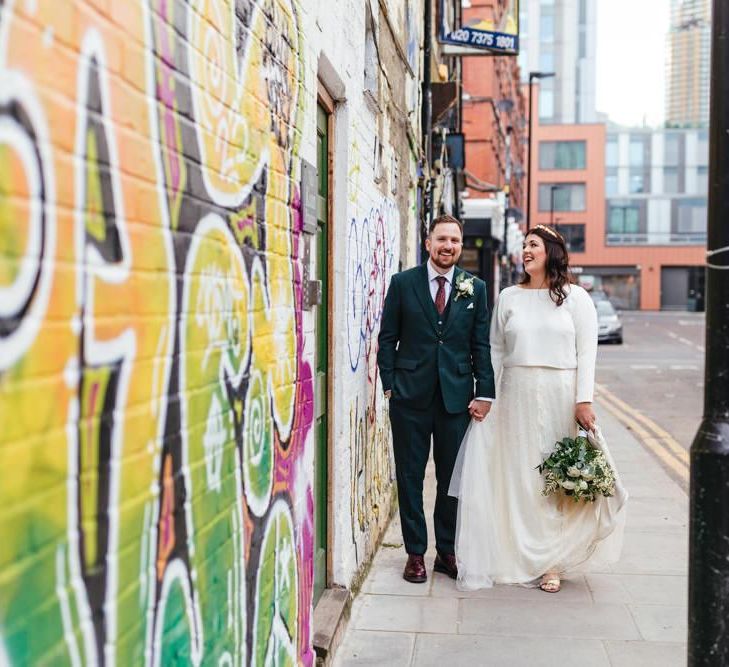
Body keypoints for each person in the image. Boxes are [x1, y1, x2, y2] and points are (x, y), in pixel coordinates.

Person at [449, 224, 627, 593]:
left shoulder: (575, 298)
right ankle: (515, 553)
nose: (526, 251)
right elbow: (495, 350)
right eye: (524, 245)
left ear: (551, 252)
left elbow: (586, 353)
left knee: (552, 479)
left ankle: (552, 563)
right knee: (517, 476)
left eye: (534, 245)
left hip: (558, 394)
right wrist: (487, 395)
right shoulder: (509, 297)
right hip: (514, 394)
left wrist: (583, 400)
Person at [377, 214, 496, 583]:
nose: (448, 246)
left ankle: (446, 550)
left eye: (455, 241)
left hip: (456, 399)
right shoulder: (402, 283)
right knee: (410, 476)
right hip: (409, 398)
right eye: (442, 239)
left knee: (452, 478)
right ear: (428, 243)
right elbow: (387, 338)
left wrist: (485, 392)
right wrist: (389, 384)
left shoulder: (474, 288)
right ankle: (415, 553)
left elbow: (481, 344)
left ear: (460, 247)